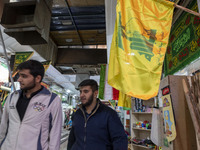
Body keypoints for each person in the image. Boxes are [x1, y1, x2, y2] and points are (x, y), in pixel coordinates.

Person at [0, 60, 62, 150]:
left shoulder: (51, 100)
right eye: (19, 75)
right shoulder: (13, 97)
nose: (19, 79)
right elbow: (3, 126)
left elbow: (55, 133)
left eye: (24, 76)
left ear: (37, 78)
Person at [67, 79, 128, 150]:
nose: (81, 95)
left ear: (95, 93)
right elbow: (72, 138)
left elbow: (120, 140)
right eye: (81, 92)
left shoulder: (109, 114)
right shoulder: (77, 114)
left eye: (86, 91)